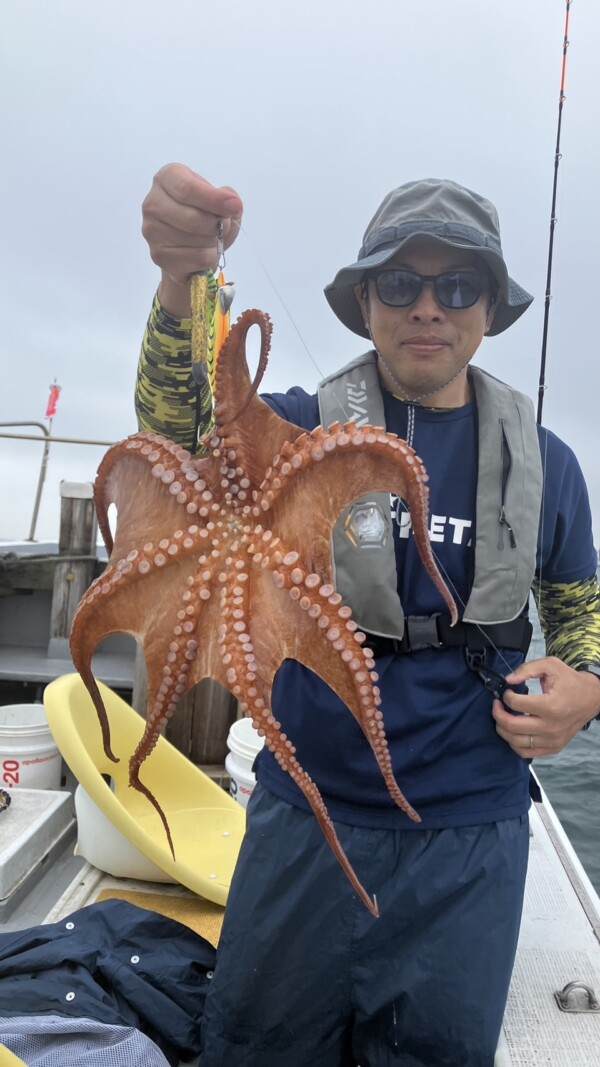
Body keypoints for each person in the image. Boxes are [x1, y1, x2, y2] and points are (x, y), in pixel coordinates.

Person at [137, 164, 600, 1067]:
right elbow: (177, 434)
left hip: (471, 833)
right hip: (306, 816)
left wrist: (588, 687)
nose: (428, 306)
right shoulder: (299, 432)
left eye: (457, 284)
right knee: (256, 1048)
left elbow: (580, 609)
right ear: (368, 301)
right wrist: (179, 282)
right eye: (401, 282)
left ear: (489, 306)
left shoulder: (547, 463)